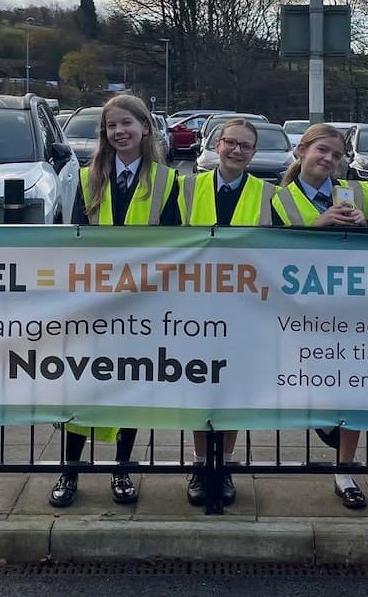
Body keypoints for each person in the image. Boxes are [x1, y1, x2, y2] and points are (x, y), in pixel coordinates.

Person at [51, 93, 182, 508]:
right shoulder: (90, 176)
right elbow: (74, 237)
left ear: (145, 127)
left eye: (127, 123)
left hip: (142, 305)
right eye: (112, 126)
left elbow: (177, 243)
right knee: (82, 386)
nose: (119, 131)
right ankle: (69, 471)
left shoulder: (168, 180)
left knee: (130, 386)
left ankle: (122, 469)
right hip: (96, 303)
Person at [271, 123, 368, 509]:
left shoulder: (356, 195)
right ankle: (319, 416)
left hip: (348, 307)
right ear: (301, 152)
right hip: (299, 312)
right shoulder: (278, 199)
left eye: (336, 154)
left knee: (353, 389)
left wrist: (366, 228)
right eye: (321, 151)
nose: (328, 159)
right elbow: (270, 253)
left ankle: (344, 472)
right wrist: (314, 226)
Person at [177, 118, 277, 507]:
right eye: (231, 143)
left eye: (245, 146)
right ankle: (202, 465)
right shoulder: (188, 187)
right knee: (200, 390)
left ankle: (227, 464)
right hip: (195, 307)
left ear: (254, 153)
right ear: (217, 145)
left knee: (235, 391)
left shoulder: (269, 194)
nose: (237, 151)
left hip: (246, 308)